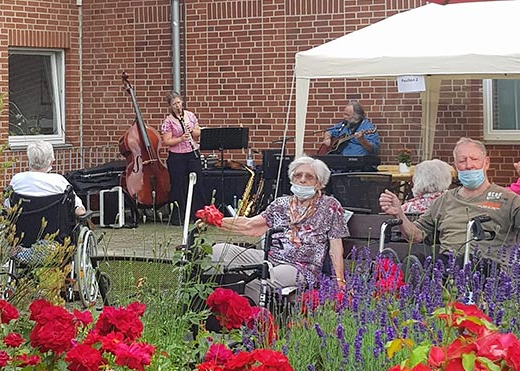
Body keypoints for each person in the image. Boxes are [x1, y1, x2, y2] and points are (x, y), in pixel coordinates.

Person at [205, 155, 350, 304]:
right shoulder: (280, 203)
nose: (302, 180)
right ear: (292, 179)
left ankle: (254, 320)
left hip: (300, 267)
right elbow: (251, 226)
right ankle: (208, 307)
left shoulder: (330, 206)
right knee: (217, 252)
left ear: (319, 183)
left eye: (309, 177)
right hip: (270, 258)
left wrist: (339, 279)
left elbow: (336, 246)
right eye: (298, 175)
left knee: (263, 278)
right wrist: (214, 220)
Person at [379, 137, 520, 266]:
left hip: (488, 269)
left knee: (466, 262)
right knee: (421, 260)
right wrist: (399, 214)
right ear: (456, 166)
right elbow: (416, 235)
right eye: (462, 161)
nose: (469, 165)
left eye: (474, 159)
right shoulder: (444, 200)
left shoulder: (507, 199)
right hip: (447, 266)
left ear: (486, 163)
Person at [161, 91, 206, 225]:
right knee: (178, 185)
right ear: (170, 106)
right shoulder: (168, 121)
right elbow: (166, 141)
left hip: (192, 153)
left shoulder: (190, 115)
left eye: (179, 102)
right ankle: (178, 217)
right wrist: (180, 138)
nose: (177, 106)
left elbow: (198, 133)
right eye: (174, 104)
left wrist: (192, 130)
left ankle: (198, 215)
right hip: (177, 157)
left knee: (197, 183)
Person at [6, 140, 86, 216]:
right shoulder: (59, 181)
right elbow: (80, 211)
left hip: (21, 229)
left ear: (29, 160)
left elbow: (7, 206)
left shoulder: (17, 179)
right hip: (56, 228)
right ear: (51, 161)